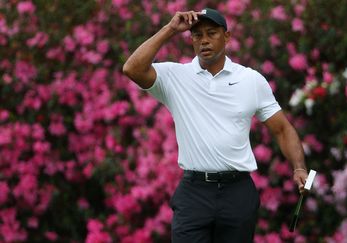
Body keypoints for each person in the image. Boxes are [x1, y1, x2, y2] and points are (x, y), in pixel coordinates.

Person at [123, 7, 308, 243]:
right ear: (191, 40)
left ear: (227, 37)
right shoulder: (175, 76)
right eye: (198, 35)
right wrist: (170, 29)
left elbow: (282, 129)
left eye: (212, 33)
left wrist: (299, 168)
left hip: (237, 191)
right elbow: (132, 68)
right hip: (194, 192)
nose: (204, 41)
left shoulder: (250, 80)